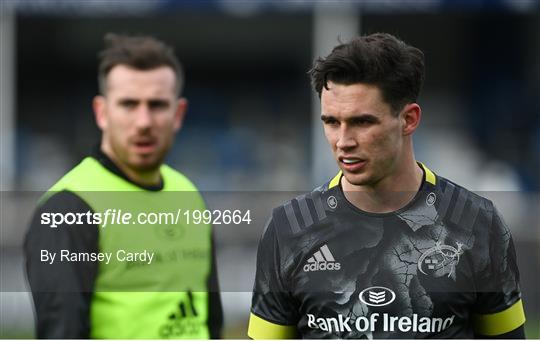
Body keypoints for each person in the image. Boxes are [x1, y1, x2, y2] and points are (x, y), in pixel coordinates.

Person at [248, 33, 526, 339]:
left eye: (362, 122)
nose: (343, 141)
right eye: (331, 122)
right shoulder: (289, 228)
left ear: (408, 119)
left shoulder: (478, 223)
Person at [25, 33, 222, 339]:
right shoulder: (68, 209)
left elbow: (211, 323)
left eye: (157, 105)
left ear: (178, 114)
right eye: (129, 104)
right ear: (101, 112)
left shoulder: (188, 194)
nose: (143, 121)